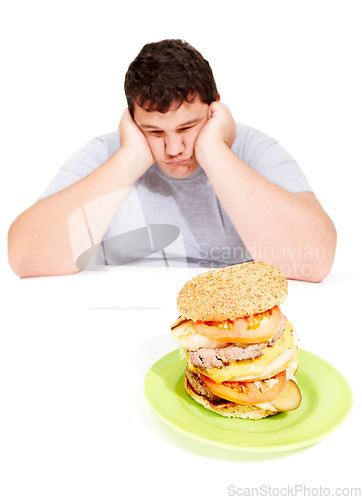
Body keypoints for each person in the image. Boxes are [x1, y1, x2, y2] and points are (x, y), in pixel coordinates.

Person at [8, 39, 336, 281]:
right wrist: (131, 158)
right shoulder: (109, 153)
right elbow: (24, 257)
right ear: (132, 121)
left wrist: (214, 151)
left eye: (187, 127)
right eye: (154, 131)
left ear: (215, 108)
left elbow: (316, 261)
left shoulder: (252, 148)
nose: (174, 148)